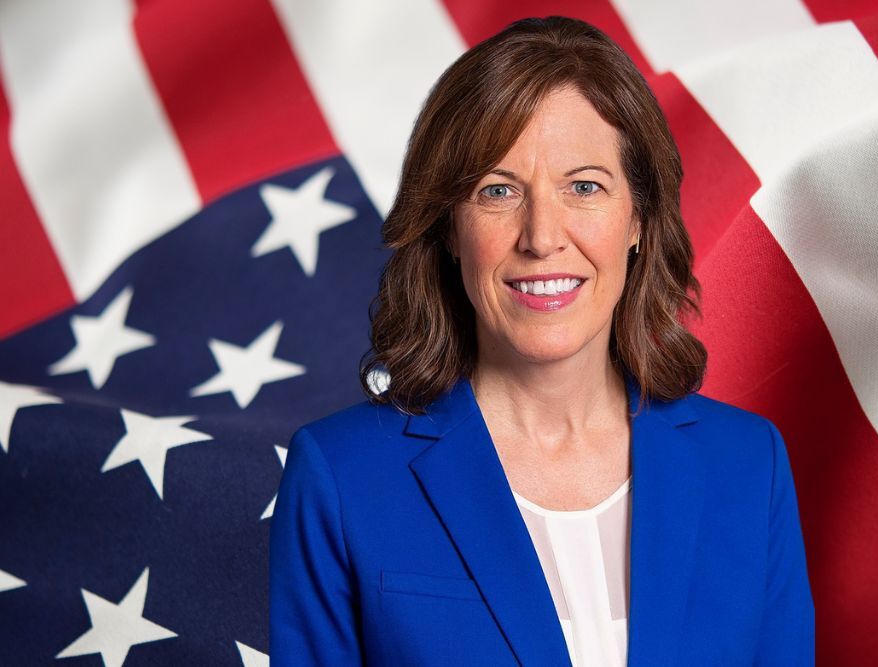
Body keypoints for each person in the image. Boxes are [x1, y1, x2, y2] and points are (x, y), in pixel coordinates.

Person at [269, 15, 814, 667]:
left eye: (584, 186)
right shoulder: (342, 475)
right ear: (449, 229)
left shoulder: (749, 466)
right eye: (498, 191)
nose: (542, 236)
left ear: (638, 218)